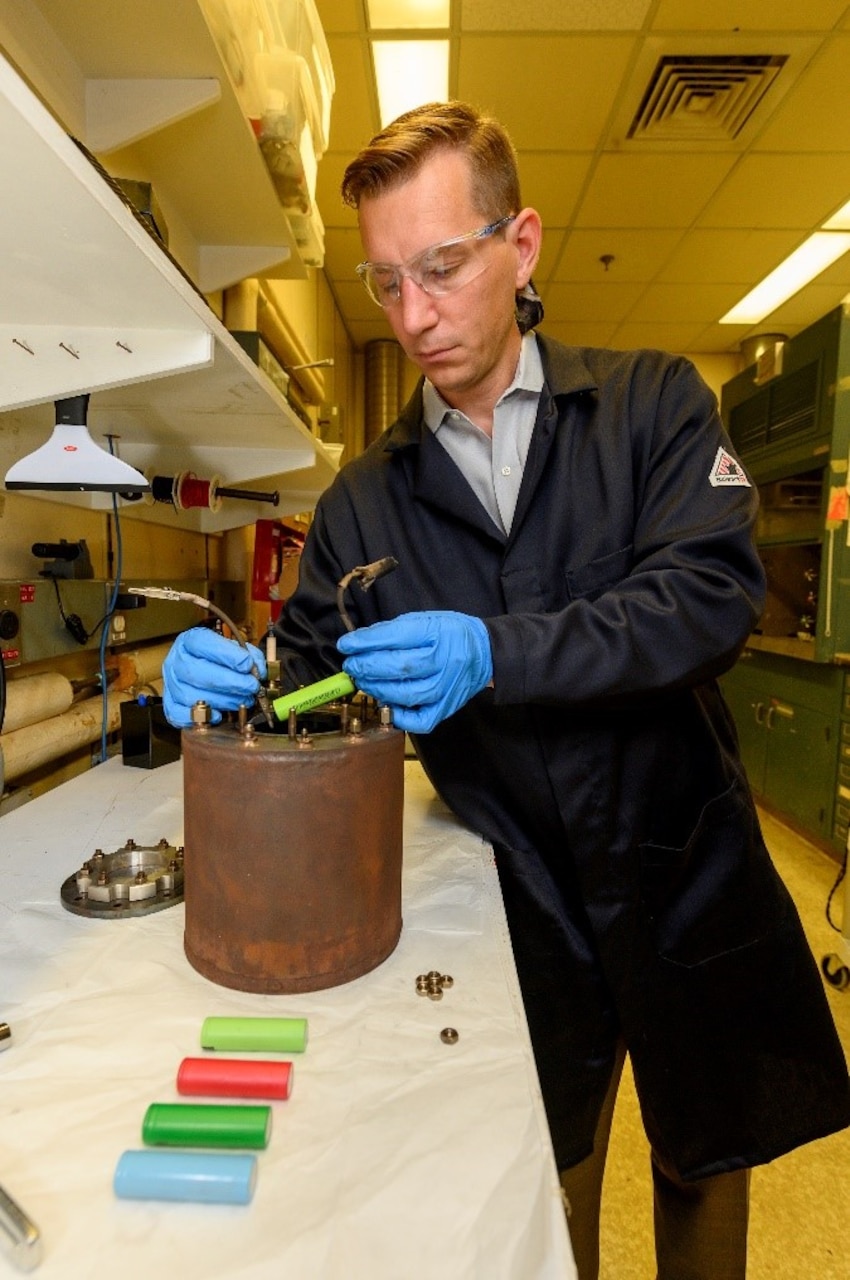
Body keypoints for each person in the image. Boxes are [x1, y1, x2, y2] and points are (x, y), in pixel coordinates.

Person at [163, 101, 850, 1278]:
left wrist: (498, 650)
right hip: (513, 901)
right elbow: (302, 678)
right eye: (385, 284)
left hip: (682, 868)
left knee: (704, 1152)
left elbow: (709, 594)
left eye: (441, 267)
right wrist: (226, 686)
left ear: (520, 243)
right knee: (544, 1171)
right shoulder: (363, 501)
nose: (415, 315)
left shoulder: (649, 407)